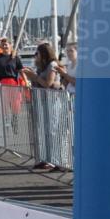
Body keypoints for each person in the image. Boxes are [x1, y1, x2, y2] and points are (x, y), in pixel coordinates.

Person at [22, 42, 64, 170]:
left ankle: (55, 160)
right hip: (42, 100)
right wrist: (30, 76)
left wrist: (34, 77)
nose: (36, 56)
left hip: (52, 100)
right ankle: (46, 158)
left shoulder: (52, 65)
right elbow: (38, 82)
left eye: (37, 53)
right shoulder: (41, 66)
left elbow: (48, 84)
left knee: (52, 130)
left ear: (44, 54)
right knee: (44, 131)